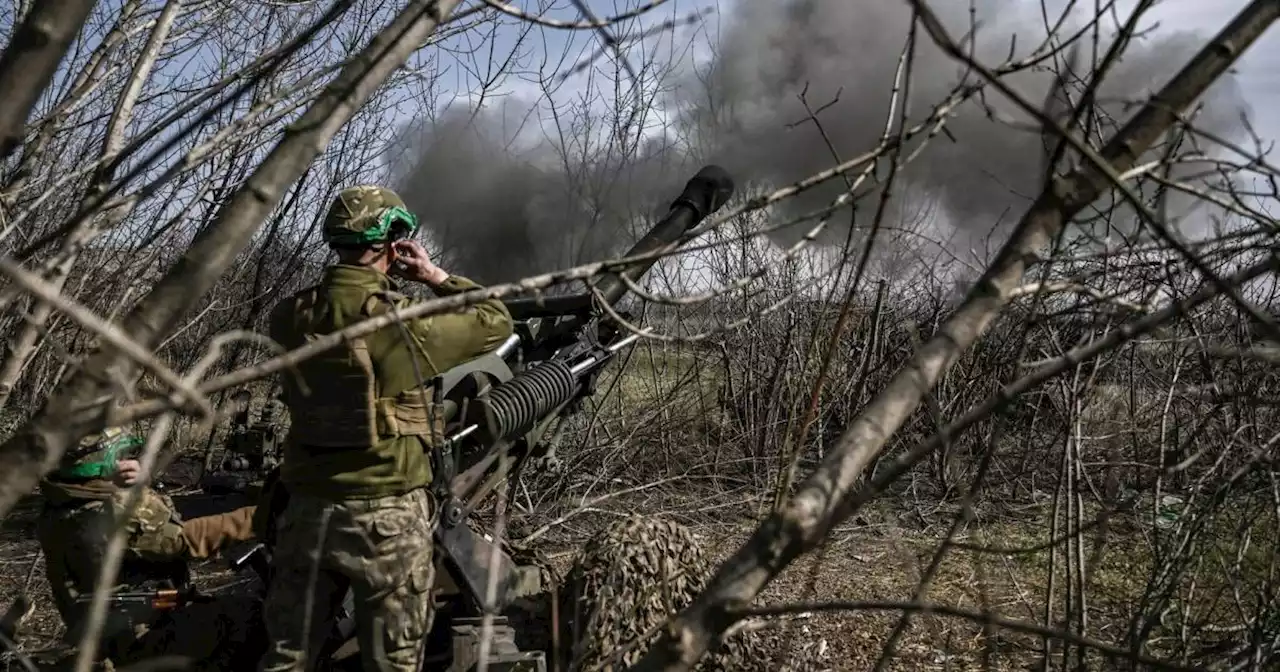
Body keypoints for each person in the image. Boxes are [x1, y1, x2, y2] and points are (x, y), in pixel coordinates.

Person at [257, 185, 513, 672]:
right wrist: (433, 274)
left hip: (305, 512)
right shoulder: (404, 327)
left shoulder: (288, 316)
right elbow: (495, 320)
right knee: (392, 662)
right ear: (395, 241)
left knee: (287, 658)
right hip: (387, 519)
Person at [37, 426, 259, 656]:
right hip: (139, 636)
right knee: (249, 616)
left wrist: (134, 483)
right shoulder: (111, 511)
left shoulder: (59, 501)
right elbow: (186, 541)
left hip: (92, 631)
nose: (124, 461)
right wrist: (258, 517)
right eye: (119, 456)